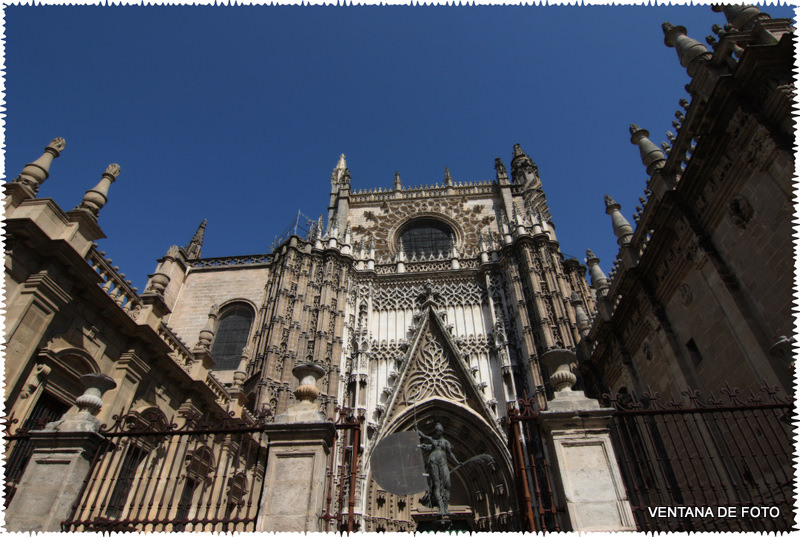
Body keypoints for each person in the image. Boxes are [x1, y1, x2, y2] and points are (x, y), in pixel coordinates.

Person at [416, 422, 460, 516]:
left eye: (438, 430)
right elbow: (423, 436)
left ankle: (445, 508)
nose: (437, 432)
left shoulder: (446, 442)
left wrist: (457, 462)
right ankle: (441, 509)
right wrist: (417, 428)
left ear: (441, 431)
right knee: (436, 485)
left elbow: (450, 453)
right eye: (436, 430)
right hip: (433, 463)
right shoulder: (433, 440)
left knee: (447, 485)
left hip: (443, 463)